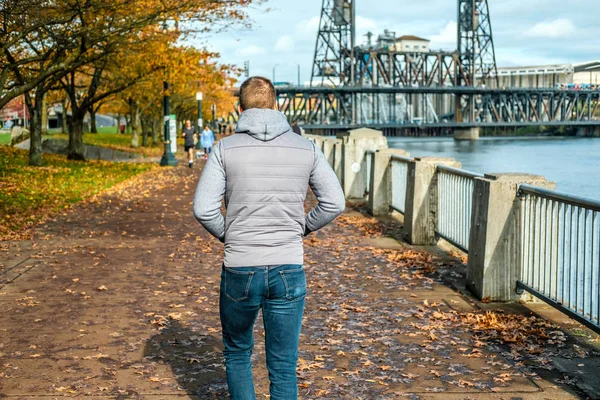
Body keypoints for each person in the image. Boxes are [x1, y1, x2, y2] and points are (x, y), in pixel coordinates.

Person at [193, 76, 345, 400]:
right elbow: (335, 202)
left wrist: (231, 235)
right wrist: (301, 227)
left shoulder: (224, 149)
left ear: (239, 108)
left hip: (240, 267)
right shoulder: (307, 148)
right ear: (277, 105)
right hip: (288, 267)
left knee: (237, 353)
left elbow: (204, 209)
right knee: (284, 365)